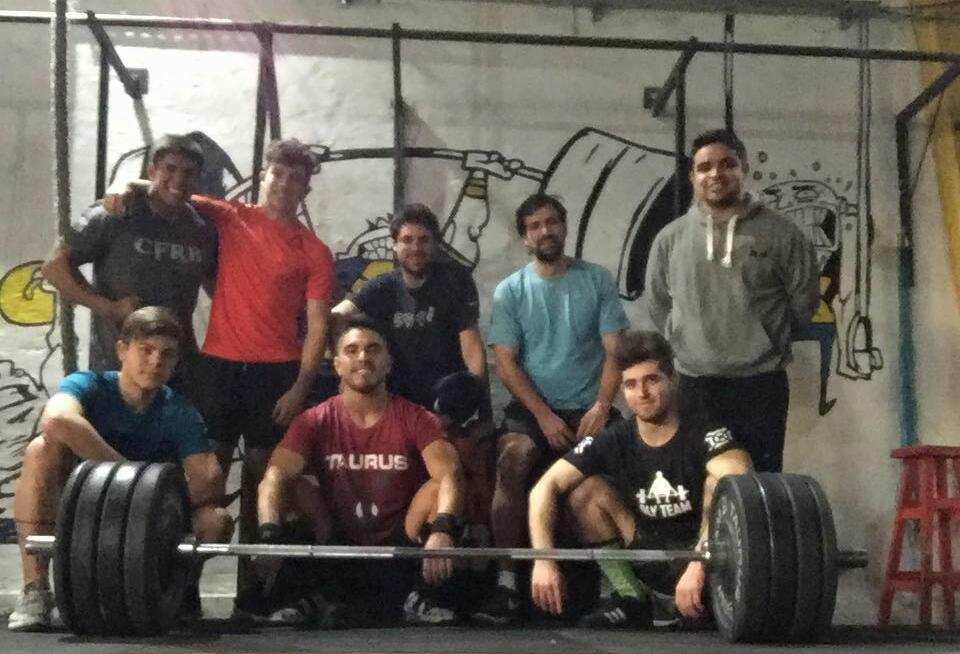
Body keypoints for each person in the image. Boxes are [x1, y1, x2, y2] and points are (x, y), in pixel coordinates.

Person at [105, 138, 336, 616]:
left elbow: (317, 328)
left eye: (296, 179)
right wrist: (125, 184)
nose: (285, 184)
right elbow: (170, 189)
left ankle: (252, 596)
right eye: (278, 174)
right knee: (205, 482)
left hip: (276, 374)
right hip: (218, 368)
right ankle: (184, 590)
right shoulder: (230, 217)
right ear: (264, 176)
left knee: (263, 485)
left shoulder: (314, 251)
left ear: (306, 189)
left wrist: (300, 387)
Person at [8, 307, 233, 632]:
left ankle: (176, 589)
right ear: (122, 350)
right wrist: (132, 479)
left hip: (146, 525)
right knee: (40, 450)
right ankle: (36, 591)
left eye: (166, 354)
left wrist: (145, 505)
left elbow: (208, 481)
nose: (155, 361)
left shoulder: (178, 410)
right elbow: (57, 419)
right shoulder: (89, 385)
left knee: (216, 521)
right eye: (146, 350)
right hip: (83, 512)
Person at [476, 193, 630, 625]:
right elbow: (505, 364)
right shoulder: (511, 291)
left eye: (551, 222)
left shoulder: (597, 280)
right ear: (525, 237)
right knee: (512, 459)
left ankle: (616, 590)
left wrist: (602, 406)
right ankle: (507, 582)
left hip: (589, 407)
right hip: (533, 411)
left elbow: (616, 351)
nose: (545, 231)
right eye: (534, 226)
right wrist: (543, 416)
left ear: (563, 226)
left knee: (605, 476)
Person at [528, 330, 752, 627]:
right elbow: (544, 488)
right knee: (585, 493)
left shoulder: (704, 431)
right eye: (631, 384)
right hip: (648, 552)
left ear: (672, 379)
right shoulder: (615, 438)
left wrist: (699, 563)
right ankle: (631, 597)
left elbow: (741, 479)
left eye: (652, 380)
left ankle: (694, 604)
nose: (642, 393)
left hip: (706, 563)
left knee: (719, 483)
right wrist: (543, 560)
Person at [256, 319, 466, 627]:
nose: (363, 357)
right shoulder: (314, 420)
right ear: (337, 365)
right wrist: (269, 536)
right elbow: (274, 478)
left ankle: (421, 595)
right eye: (352, 350)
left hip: (400, 547)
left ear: (388, 363)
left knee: (438, 487)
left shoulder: (416, 417)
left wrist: (443, 530)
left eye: (373, 349)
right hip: (335, 546)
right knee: (292, 484)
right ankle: (308, 596)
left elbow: (449, 475)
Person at [644, 129, 819, 473]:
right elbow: (658, 303)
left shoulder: (783, 233)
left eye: (727, 164)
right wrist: (686, 342)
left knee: (760, 485)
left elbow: (804, 301)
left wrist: (767, 341)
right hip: (695, 384)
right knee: (699, 481)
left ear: (744, 168)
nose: (716, 174)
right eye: (704, 167)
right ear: (692, 177)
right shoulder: (670, 239)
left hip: (761, 385)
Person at [332, 203, 494, 542]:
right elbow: (337, 316)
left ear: (435, 244)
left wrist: (478, 405)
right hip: (398, 405)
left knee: (469, 461)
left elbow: (471, 347)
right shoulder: (382, 286)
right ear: (394, 245)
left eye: (423, 240)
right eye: (407, 240)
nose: (415, 247)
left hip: (447, 400)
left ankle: (474, 544)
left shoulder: (455, 281)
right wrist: (341, 364)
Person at [42, 134, 217, 402]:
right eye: (170, 169)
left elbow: (216, 286)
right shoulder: (115, 214)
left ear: (197, 179)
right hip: (116, 369)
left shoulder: (202, 229)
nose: (179, 179)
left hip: (177, 371)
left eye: (188, 173)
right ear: (152, 171)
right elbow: (54, 267)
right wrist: (106, 307)